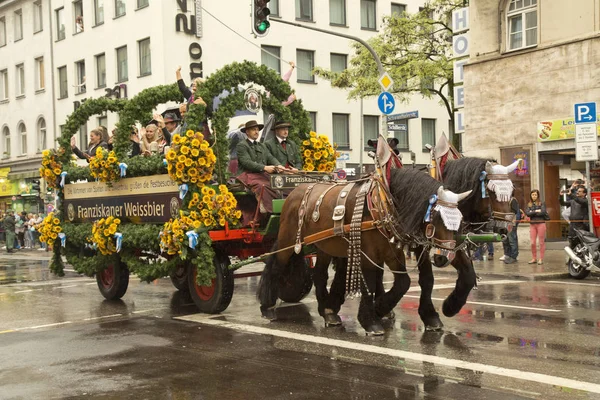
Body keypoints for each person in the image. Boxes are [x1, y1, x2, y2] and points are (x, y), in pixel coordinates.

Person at [236, 120, 284, 216]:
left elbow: (270, 157)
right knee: (263, 186)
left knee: (278, 184)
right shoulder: (242, 145)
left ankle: (283, 208)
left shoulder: (262, 146)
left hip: (261, 174)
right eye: (253, 130)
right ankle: (269, 211)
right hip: (247, 175)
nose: (256, 132)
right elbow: (246, 162)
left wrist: (278, 165)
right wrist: (264, 167)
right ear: (247, 132)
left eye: (257, 129)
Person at [525, 189, 547, 265]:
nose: (534, 196)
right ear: (531, 196)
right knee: (532, 243)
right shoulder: (529, 204)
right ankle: (534, 258)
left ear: (538, 196)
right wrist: (536, 211)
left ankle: (541, 258)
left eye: (535, 195)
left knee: (541, 242)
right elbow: (527, 213)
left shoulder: (541, 203)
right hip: (532, 224)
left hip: (541, 223)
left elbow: (543, 212)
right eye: (533, 195)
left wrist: (532, 212)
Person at [502, 196, 520, 264]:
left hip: (511, 223)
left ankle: (513, 256)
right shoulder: (503, 200)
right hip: (505, 223)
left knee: (512, 240)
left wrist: (514, 224)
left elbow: (516, 213)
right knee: (506, 240)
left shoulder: (513, 200)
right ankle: (508, 255)